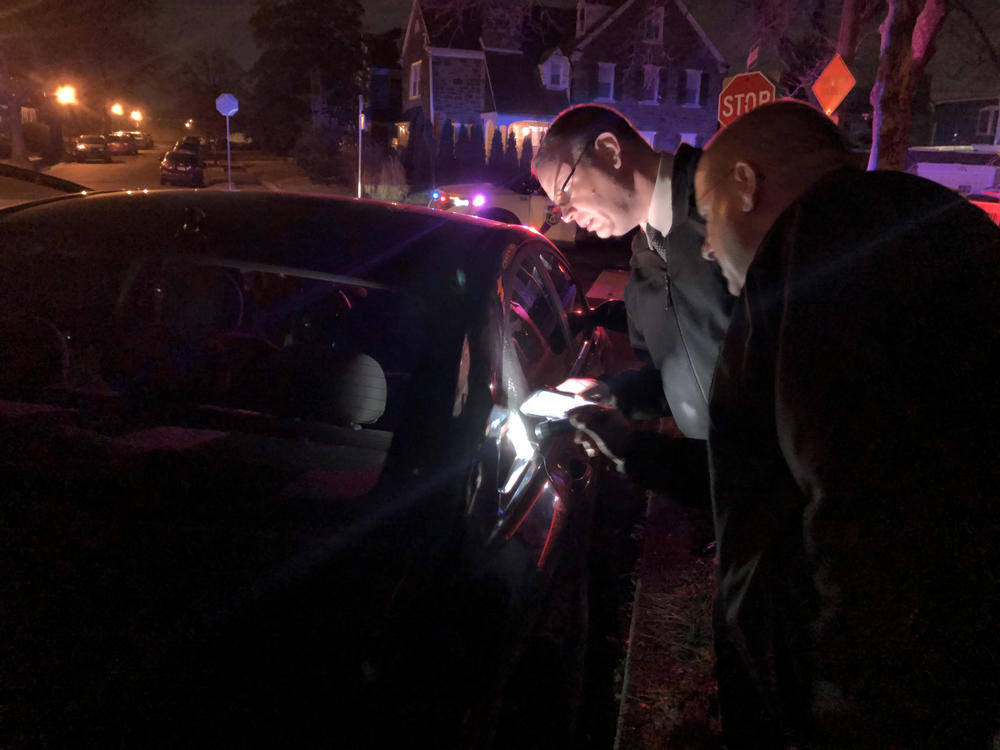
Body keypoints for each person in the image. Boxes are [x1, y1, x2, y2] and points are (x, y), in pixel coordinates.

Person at [570, 99, 1000, 748]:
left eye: (711, 219)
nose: (709, 250)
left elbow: (852, 509)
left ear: (747, 184)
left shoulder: (818, 248)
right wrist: (632, 446)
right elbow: (773, 467)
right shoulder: (937, 225)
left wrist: (844, 716)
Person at [532, 104, 732, 443]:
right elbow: (674, 376)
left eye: (564, 190)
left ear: (610, 151)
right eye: (555, 203)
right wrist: (611, 394)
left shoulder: (727, 203)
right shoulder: (645, 257)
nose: (564, 214)